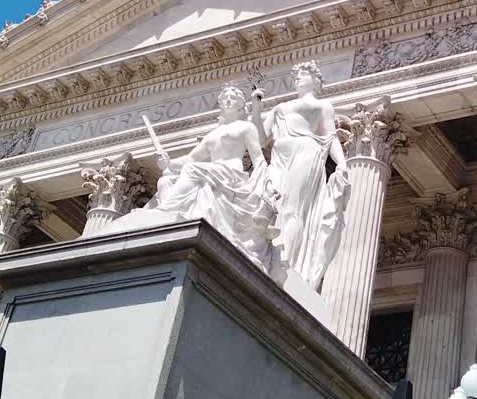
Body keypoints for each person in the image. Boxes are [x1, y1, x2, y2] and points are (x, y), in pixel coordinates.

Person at [105, 85, 275, 271]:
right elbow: (191, 158)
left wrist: (263, 185)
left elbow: (258, 158)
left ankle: (167, 209)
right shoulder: (213, 133)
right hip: (212, 172)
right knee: (166, 180)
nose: (227, 100)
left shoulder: (246, 127)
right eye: (225, 97)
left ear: (241, 104)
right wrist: (169, 163)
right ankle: (173, 219)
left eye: (232, 98)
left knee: (193, 171)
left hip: (231, 175)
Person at [253, 61, 350, 290]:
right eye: (295, 75)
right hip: (279, 157)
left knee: (292, 209)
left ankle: (287, 264)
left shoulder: (322, 106)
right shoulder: (279, 108)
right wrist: (256, 109)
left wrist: (343, 164)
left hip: (306, 155)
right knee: (268, 202)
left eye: (303, 74)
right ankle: (265, 252)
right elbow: (259, 139)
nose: (297, 78)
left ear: (316, 81)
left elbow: (330, 137)